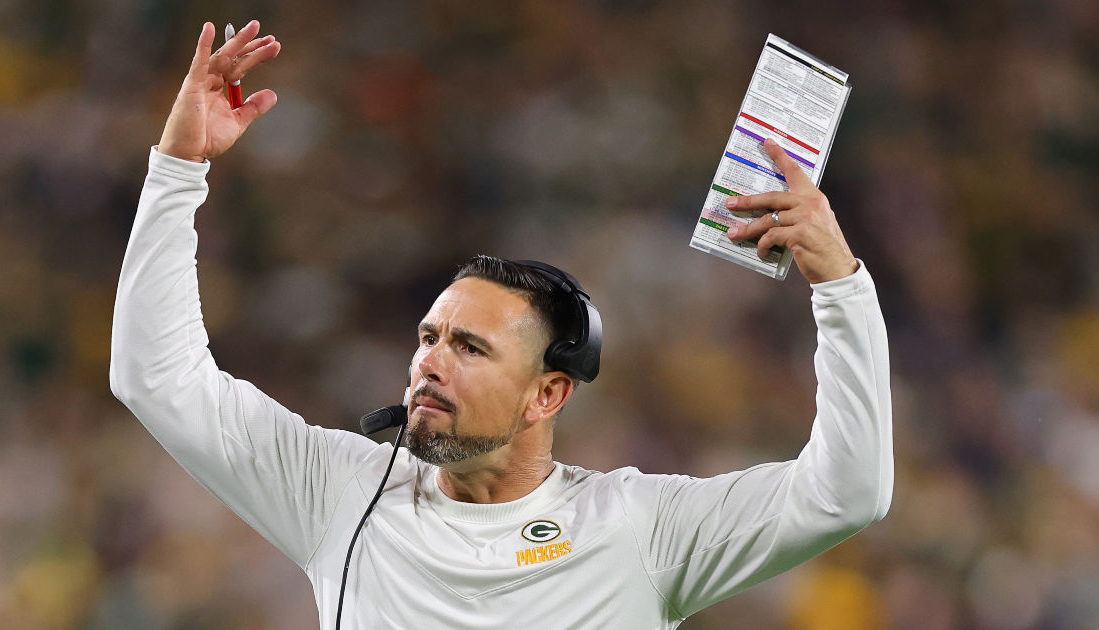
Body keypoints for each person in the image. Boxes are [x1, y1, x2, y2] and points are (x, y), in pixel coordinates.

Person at [110, 20, 893, 629]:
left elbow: (848, 493)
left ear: (547, 394)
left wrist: (839, 286)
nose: (429, 364)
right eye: (428, 338)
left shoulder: (639, 530)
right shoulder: (338, 494)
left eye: (469, 346)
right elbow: (156, 377)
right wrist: (179, 167)